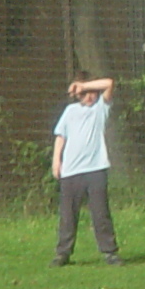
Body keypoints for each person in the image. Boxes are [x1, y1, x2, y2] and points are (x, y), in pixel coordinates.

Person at [50, 75, 124, 266]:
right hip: (71, 171)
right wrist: (56, 161)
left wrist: (84, 85)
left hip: (96, 169)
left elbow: (109, 83)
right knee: (68, 215)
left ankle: (110, 252)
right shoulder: (70, 111)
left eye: (91, 93)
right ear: (76, 96)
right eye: (84, 94)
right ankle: (63, 253)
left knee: (100, 213)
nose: (89, 97)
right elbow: (60, 136)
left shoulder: (100, 109)